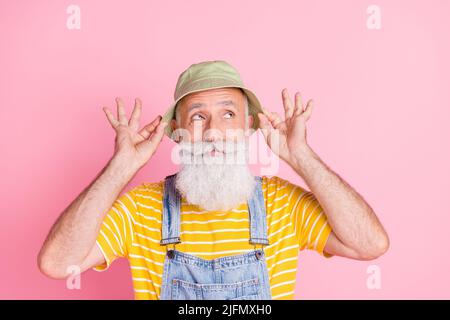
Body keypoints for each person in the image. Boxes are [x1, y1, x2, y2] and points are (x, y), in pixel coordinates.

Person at [37, 60, 389, 300]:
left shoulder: (283, 205)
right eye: (199, 117)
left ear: (249, 127)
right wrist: (120, 168)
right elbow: (56, 264)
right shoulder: (140, 209)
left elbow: (369, 244)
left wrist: (302, 158)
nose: (215, 131)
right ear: (177, 132)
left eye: (228, 114)